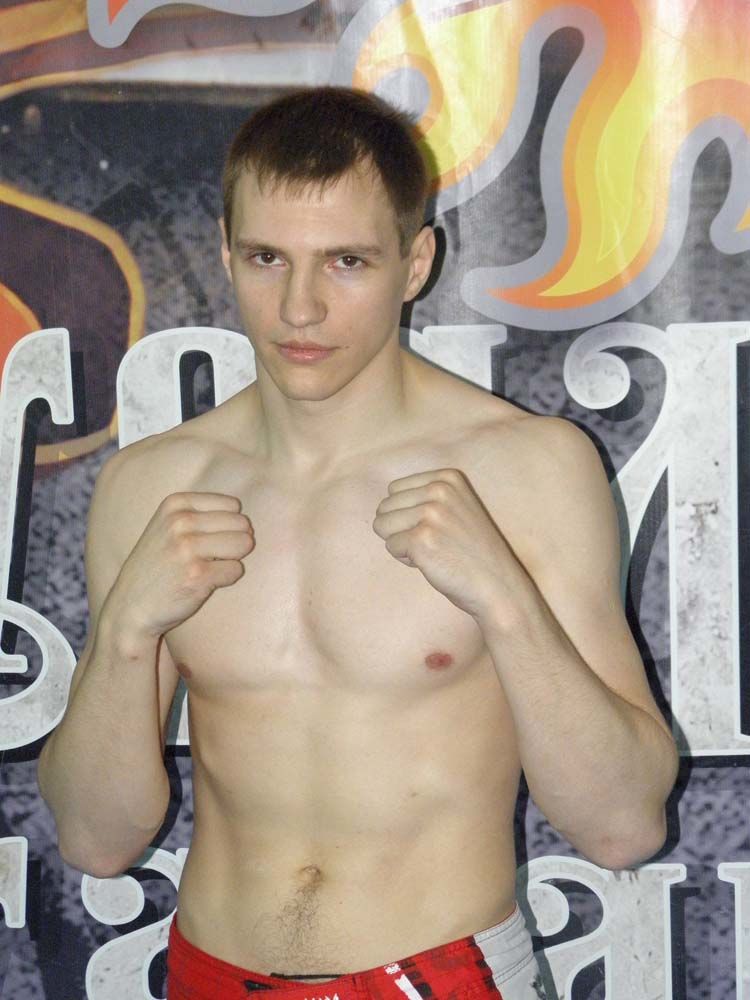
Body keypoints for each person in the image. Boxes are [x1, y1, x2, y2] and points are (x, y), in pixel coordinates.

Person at [37, 86, 679, 1000]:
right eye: (267, 257)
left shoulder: (526, 468)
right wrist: (126, 635)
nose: (299, 307)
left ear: (415, 263)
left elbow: (621, 826)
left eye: (346, 262)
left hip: (442, 977)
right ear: (225, 252)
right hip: (208, 974)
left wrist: (505, 600)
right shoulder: (151, 488)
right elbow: (96, 839)